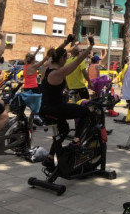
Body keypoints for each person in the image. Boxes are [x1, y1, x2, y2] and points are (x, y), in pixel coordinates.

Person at [40, 35, 95, 171]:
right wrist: (90, 47)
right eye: (66, 58)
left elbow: (55, 53)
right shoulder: (58, 73)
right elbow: (76, 63)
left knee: (63, 129)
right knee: (85, 112)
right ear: (62, 59)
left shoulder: (47, 68)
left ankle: (50, 158)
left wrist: (66, 42)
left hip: (44, 108)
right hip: (56, 108)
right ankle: (76, 142)